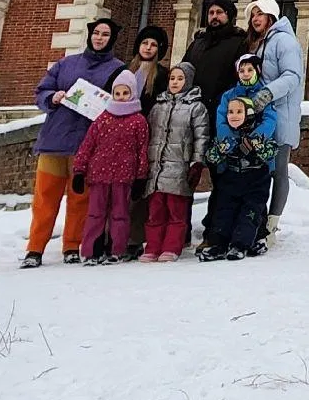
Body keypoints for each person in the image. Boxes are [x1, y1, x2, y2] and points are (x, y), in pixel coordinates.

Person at [20, 18, 126, 268]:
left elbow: (120, 103)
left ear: (112, 39)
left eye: (105, 34)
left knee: (80, 199)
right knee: (45, 197)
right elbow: (41, 91)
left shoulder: (119, 70)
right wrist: (52, 97)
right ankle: (35, 248)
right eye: (96, 33)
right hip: (54, 141)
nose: (99, 38)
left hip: (88, 145)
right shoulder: (66, 64)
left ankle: (71, 245)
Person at [72, 71, 150, 265]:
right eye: (118, 93)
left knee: (120, 214)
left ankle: (117, 248)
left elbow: (142, 150)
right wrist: (79, 170)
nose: (121, 97)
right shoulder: (103, 118)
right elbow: (88, 145)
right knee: (95, 213)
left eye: (125, 93)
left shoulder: (138, 121)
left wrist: (141, 176)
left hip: (124, 176)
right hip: (99, 174)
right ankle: (92, 250)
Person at [243, 0, 304, 245]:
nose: (255, 18)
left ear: (271, 15)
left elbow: (292, 76)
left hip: (280, 116)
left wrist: (267, 94)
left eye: (260, 13)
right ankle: (254, 221)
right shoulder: (258, 43)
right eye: (252, 14)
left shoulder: (284, 41)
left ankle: (271, 224)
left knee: (278, 171)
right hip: (260, 117)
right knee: (258, 172)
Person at [198, 94, 278, 262]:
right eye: (230, 112)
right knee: (223, 213)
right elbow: (211, 158)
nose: (234, 115)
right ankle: (218, 244)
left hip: (255, 181)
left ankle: (240, 244)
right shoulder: (226, 137)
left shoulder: (258, 135)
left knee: (249, 213)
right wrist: (220, 151)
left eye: (239, 111)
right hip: (231, 179)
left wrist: (258, 146)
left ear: (248, 114)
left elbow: (272, 152)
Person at [142, 62, 208, 262]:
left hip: (179, 167)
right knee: (155, 210)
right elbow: (149, 135)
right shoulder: (158, 106)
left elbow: (201, 136)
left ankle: (172, 246)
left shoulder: (196, 107)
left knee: (175, 211)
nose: (175, 82)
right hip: (157, 167)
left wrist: (197, 162)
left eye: (180, 79)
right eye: (172, 78)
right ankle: (153, 246)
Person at [122, 25, 169, 258]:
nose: (148, 48)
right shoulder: (123, 72)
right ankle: (113, 236)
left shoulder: (161, 76)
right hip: (119, 140)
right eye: (145, 43)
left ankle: (133, 239)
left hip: (146, 137)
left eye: (153, 45)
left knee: (140, 188)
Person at [181, 0, 246, 121]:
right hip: (193, 109)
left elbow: (242, 77)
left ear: (229, 15)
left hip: (222, 110)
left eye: (219, 12)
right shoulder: (198, 43)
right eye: (211, 13)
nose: (214, 16)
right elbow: (184, 71)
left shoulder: (239, 42)